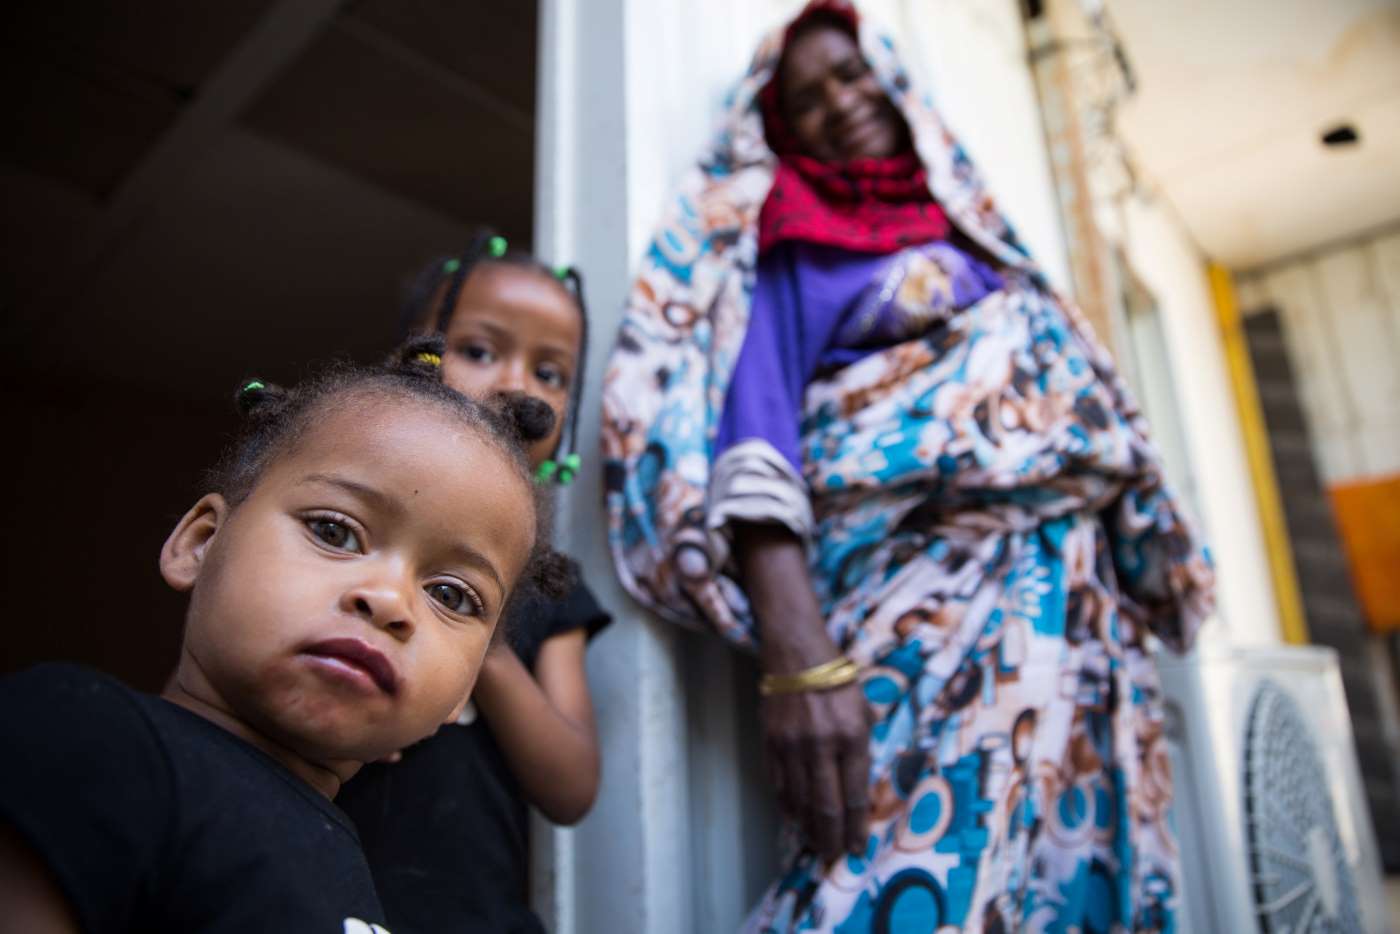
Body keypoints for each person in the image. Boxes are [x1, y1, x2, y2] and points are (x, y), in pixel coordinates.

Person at [602, 2, 1215, 931]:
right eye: (806, 101)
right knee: (902, 865)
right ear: (779, 132)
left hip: (1077, 614)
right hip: (914, 601)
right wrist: (800, 664)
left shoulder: (979, 239)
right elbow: (755, 440)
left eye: (851, 74)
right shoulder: (787, 252)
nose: (840, 103)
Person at [0, 336, 569, 933]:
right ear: (201, 543)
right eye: (335, 531)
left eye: (451, 595)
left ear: (464, 691)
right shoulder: (90, 740)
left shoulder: (355, 870)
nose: (389, 602)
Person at [337, 230, 611, 934]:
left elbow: (573, 786)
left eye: (551, 373)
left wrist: (479, 631)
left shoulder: (551, 589)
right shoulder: (348, 537)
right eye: (481, 350)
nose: (516, 384)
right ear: (412, 359)